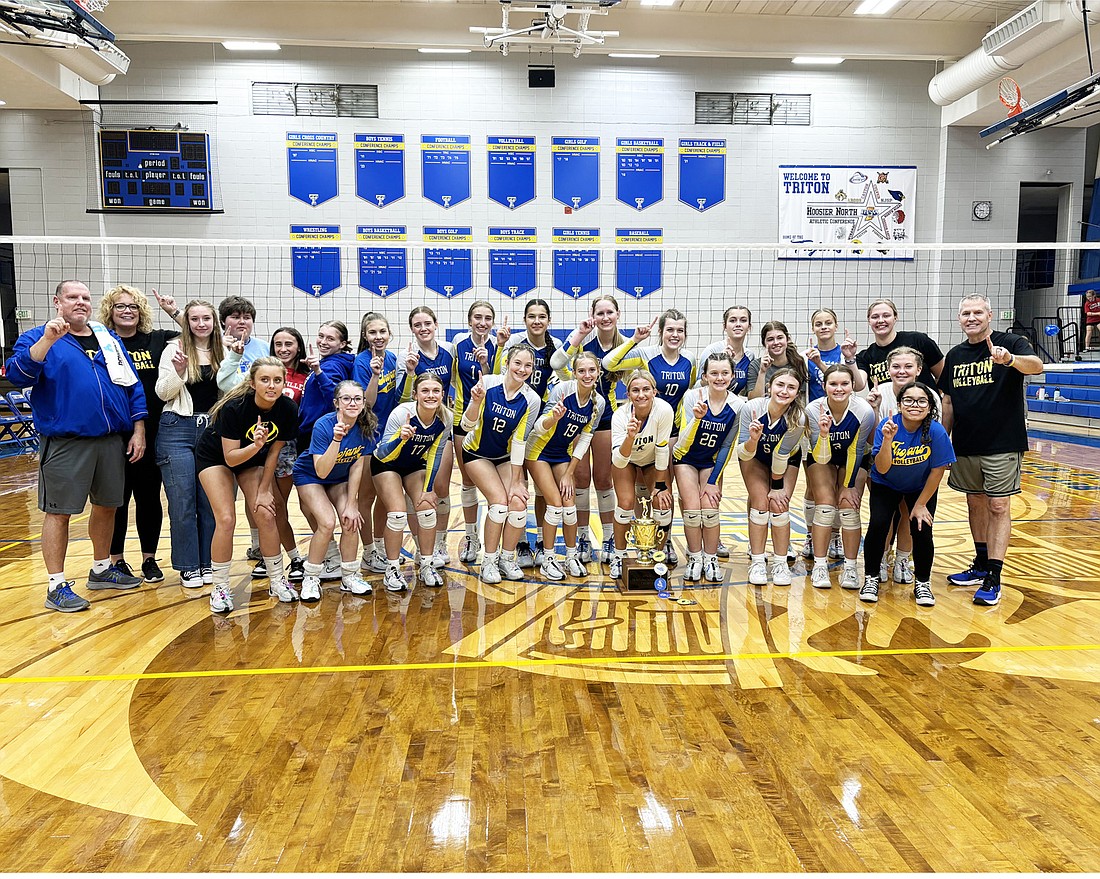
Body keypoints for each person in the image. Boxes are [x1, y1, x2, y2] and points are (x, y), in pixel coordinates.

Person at [6, 279, 148, 612]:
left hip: (111, 440)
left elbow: (132, 384)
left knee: (108, 506)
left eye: (85, 297)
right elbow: (18, 375)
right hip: (67, 441)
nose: (81, 302)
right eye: (73, 297)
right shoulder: (39, 337)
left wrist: (138, 427)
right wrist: (47, 340)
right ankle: (56, 584)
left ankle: (101, 569)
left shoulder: (107, 337)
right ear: (58, 302)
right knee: (59, 512)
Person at [940, 293, 1043, 607]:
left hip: (1002, 442)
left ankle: (994, 577)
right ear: (959, 319)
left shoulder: (1011, 342)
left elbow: (1037, 366)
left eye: (977, 313)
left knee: (998, 507)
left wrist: (1008, 359)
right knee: (976, 505)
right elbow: (948, 402)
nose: (971, 318)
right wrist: (943, 442)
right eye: (966, 313)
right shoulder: (955, 354)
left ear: (989, 315)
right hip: (967, 444)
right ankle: (981, 563)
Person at [196, 357, 300, 613]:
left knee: (266, 513)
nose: (271, 385)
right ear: (253, 383)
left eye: (277, 380)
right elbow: (230, 457)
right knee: (226, 519)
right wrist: (255, 445)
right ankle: (220, 587)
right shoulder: (235, 408)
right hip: (216, 457)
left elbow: (274, 454)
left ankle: (277, 580)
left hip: (254, 458)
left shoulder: (287, 408)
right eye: (265, 380)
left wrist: (265, 490)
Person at [96, 284, 178, 584]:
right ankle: (115, 560)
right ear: (110, 311)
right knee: (115, 498)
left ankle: (149, 559)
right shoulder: (103, 342)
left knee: (148, 498)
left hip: (154, 430)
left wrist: (174, 312)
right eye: (120, 306)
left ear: (141, 311)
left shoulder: (157, 339)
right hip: (115, 431)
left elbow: (202, 336)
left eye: (133, 306)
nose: (127, 311)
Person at [603, 308, 696, 567]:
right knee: (628, 501)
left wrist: (661, 484)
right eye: (670, 330)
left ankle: (661, 547)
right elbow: (608, 364)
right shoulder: (646, 356)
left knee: (663, 496)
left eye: (680, 330)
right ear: (661, 332)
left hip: (667, 433)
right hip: (632, 448)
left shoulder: (690, 360)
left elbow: (693, 392)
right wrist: (634, 340)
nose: (674, 335)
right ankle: (623, 554)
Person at [860, 381, 955, 607]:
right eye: (909, 400)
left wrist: (921, 505)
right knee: (879, 525)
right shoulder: (888, 425)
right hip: (886, 483)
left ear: (930, 406)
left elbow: (937, 471)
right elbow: (881, 468)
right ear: (900, 405)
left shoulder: (936, 430)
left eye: (922, 401)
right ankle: (871, 578)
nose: (915, 405)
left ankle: (923, 583)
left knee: (922, 528)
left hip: (920, 487)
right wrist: (888, 441)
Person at [550, 295, 626, 564]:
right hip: (577, 417)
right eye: (600, 313)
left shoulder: (626, 345)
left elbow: (636, 377)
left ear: (618, 314)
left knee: (604, 480)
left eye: (610, 312)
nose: (605, 318)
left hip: (607, 418)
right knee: (580, 479)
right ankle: (583, 536)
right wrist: (579, 333)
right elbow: (557, 365)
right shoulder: (585, 344)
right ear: (593, 316)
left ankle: (607, 537)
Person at [155, 299, 224, 589]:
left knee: (210, 502)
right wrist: (180, 372)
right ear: (187, 322)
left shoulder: (225, 350)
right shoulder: (175, 349)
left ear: (214, 321)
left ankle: (208, 561)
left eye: (206, 318)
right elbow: (163, 392)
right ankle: (188, 566)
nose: (200, 324)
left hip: (212, 431)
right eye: (194, 319)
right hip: (177, 430)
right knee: (182, 501)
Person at [459, 345, 542, 583]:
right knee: (498, 504)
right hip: (476, 453)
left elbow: (519, 441)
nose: (522, 369)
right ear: (507, 362)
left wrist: (517, 481)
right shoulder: (487, 383)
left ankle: (507, 559)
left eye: (528, 365)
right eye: (518, 363)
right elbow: (465, 427)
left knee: (518, 503)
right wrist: (475, 402)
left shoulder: (531, 399)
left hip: (505, 457)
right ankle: (489, 561)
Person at [494, 298, 566, 567]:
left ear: (549, 320)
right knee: (518, 480)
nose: (537, 321)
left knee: (540, 487)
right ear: (525, 320)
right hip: (514, 417)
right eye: (532, 316)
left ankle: (538, 539)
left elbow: (563, 381)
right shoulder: (514, 344)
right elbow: (499, 375)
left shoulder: (556, 347)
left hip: (543, 422)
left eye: (542, 316)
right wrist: (501, 345)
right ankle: (521, 541)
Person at [292, 380, 376, 601]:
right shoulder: (323, 425)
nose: (352, 403)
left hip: (339, 478)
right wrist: (337, 439)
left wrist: (352, 503)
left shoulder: (366, 424)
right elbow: (320, 471)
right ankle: (311, 578)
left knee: (350, 520)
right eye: (346, 399)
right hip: (311, 476)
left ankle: (350, 575)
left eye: (357, 398)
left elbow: (357, 465)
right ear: (336, 403)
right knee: (327, 523)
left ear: (364, 402)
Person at [526, 351, 606, 580]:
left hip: (562, 454)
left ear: (598, 373)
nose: (587, 375)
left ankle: (571, 556)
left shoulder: (597, 403)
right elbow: (539, 427)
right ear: (574, 373)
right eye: (581, 370)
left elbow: (585, 439)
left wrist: (569, 473)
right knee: (554, 505)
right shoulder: (562, 390)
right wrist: (554, 417)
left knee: (570, 506)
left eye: (591, 370)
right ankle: (548, 559)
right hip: (538, 450)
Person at [372, 372, 454, 592]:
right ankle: (391, 568)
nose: (430, 395)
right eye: (425, 391)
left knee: (427, 509)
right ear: (416, 394)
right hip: (387, 465)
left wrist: (428, 490)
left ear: (442, 394)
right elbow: (382, 454)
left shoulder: (446, 418)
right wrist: (401, 437)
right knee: (397, 514)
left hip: (413, 465)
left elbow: (436, 454)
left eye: (435, 391)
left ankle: (426, 564)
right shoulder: (401, 413)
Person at [672, 352, 744, 582]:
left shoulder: (738, 405)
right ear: (704, 376)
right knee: (693, 510)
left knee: (710, 510)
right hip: (685, 458)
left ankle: (710, 558)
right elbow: (682, 442)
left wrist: (713, 481)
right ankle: (695, 557)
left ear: (732, 376)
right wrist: (697, 420)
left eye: (725, 373)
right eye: (714, 373)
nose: (719, 378)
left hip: (711, 462)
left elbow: (726, 445)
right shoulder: (693, 397)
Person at [695, 304, 757, 561]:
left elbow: (754, 395)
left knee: (717, 481)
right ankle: (702, 539)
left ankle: (715, 536)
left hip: (734, 422)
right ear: (725, 325)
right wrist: (722, 362)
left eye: (743, 320)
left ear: (749, 326)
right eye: (733, 320)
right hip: (708, 420)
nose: (738, 324)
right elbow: (699, 384)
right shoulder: (712, 351)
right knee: (702, 478)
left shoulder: (752, 357)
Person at [804, 364, 876, 590]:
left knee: (848, 506)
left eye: (844, 383)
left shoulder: (863, 411)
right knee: (825, 506)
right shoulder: (813, 410)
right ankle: (820, 565)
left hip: (852, 458)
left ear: (853, 386)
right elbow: (821, 457)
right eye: (833, 384)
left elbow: (856, 450)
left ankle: (851, 568)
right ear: (824, 386)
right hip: (821, 456)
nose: (839, 388)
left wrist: (848, 485)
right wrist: (824, 435)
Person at [735, 369, 807, 587]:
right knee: (760, 503)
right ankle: (757, 561)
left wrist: (777, 487)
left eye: (791, 387)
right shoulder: (751, 408)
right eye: (780, 385)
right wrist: (754, 440)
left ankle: (780, 562)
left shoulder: (798, 417)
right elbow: (743, 453)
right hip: (753, 456)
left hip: (786, 461)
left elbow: (781, 455)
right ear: (770, 387)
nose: (784, 391)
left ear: (797, 393)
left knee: (778, 504)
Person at [399, 305, 458, 567]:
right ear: (412, 329)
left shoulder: (449, 351)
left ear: (435, 325)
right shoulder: (407, 356)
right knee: (417, 491)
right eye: (417, 325)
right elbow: (402, 398)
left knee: (441, 488)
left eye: (427, 324)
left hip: (442, 424)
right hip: (415, 428)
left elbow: (459, 382)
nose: (423, 328)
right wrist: (411, 373)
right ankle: (420, 542)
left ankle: (441, 542)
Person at [607, 370, 676, 581]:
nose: (641, 394)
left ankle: (657, 555)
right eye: (635, 390)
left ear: (654, 391)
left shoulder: (664, 410)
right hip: (626, 460)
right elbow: (618, 460)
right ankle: (618, 556)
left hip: (653, 460)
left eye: (646, 389)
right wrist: (630, 437)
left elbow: (663, 448)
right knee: (626, 504)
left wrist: (662, 485)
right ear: (628, 394)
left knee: (663, 503)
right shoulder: (620, 416)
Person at [866, 346, 927, 584]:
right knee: (884, 516)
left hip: (914, 465)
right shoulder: (878, 393)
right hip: (884, 465)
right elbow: (871, 440)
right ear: (888, 369)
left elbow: (931, 436)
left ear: (919, 370)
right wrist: (873, 408)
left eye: (908, 366)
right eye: (896, 366)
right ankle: (881, 558)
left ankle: (902, 558)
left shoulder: (928, 396)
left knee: (906, 513)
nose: (902, 371)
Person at [451, 300, 498, 564]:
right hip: (462, 418)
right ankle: (471, 536)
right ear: (470, 320)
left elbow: (499, 383)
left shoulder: (500, 346)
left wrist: (486, 364)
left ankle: (496, 541)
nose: (482, 322)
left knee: (496, 487)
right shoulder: (458, 343)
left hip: (490, 422)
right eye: (478, 317)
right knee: (468, 480)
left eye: (487, 318)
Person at [353, 311, 398, 575]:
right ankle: (368, 551)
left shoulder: (392, 358)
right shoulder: (362, 361)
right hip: (368, 435)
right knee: (366, 496)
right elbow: (366, 404)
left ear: (389, 334)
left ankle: (379, 548)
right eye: (373, 332)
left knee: (385, 495)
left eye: (382, 331)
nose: (378, 336)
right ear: (365, 336)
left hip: (389, 436)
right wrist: (373, 375)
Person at [269, 326, 310, 583]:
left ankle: (302, 557)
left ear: (298, 347)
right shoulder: (267, 372)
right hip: (262, 446)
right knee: (271, 508)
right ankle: (282, 557)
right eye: (278, 344)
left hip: (293, 447)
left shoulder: (306, 375)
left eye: (289, 344)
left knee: (284, 506)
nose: (283, 349)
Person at [850, 298, 943, 391]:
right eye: (875, 317)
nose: (881, 320)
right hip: (887, 405)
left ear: (895, 318)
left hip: (921, 403)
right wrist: (849, 358)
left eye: (886, 316)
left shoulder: (918, 340)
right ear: (869, 321)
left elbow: (943, 376)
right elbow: (858, 386)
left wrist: (932, 396)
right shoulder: (865, 357)